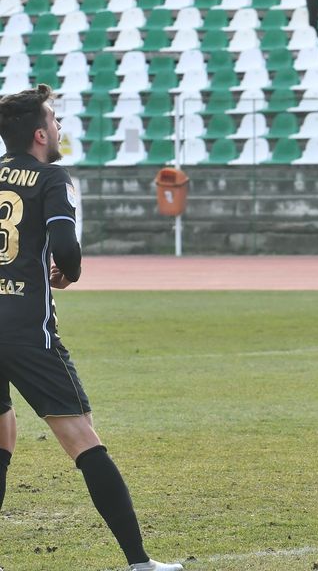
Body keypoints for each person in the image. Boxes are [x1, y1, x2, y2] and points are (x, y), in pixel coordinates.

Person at [0, 85, 183, 571]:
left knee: (2, 433)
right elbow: (68, 249)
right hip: (25, 330)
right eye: (55, 120)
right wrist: (67, 274)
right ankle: (141, 563)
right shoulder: (51, 177)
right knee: (82, 438)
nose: (60, 128)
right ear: (40, 134)